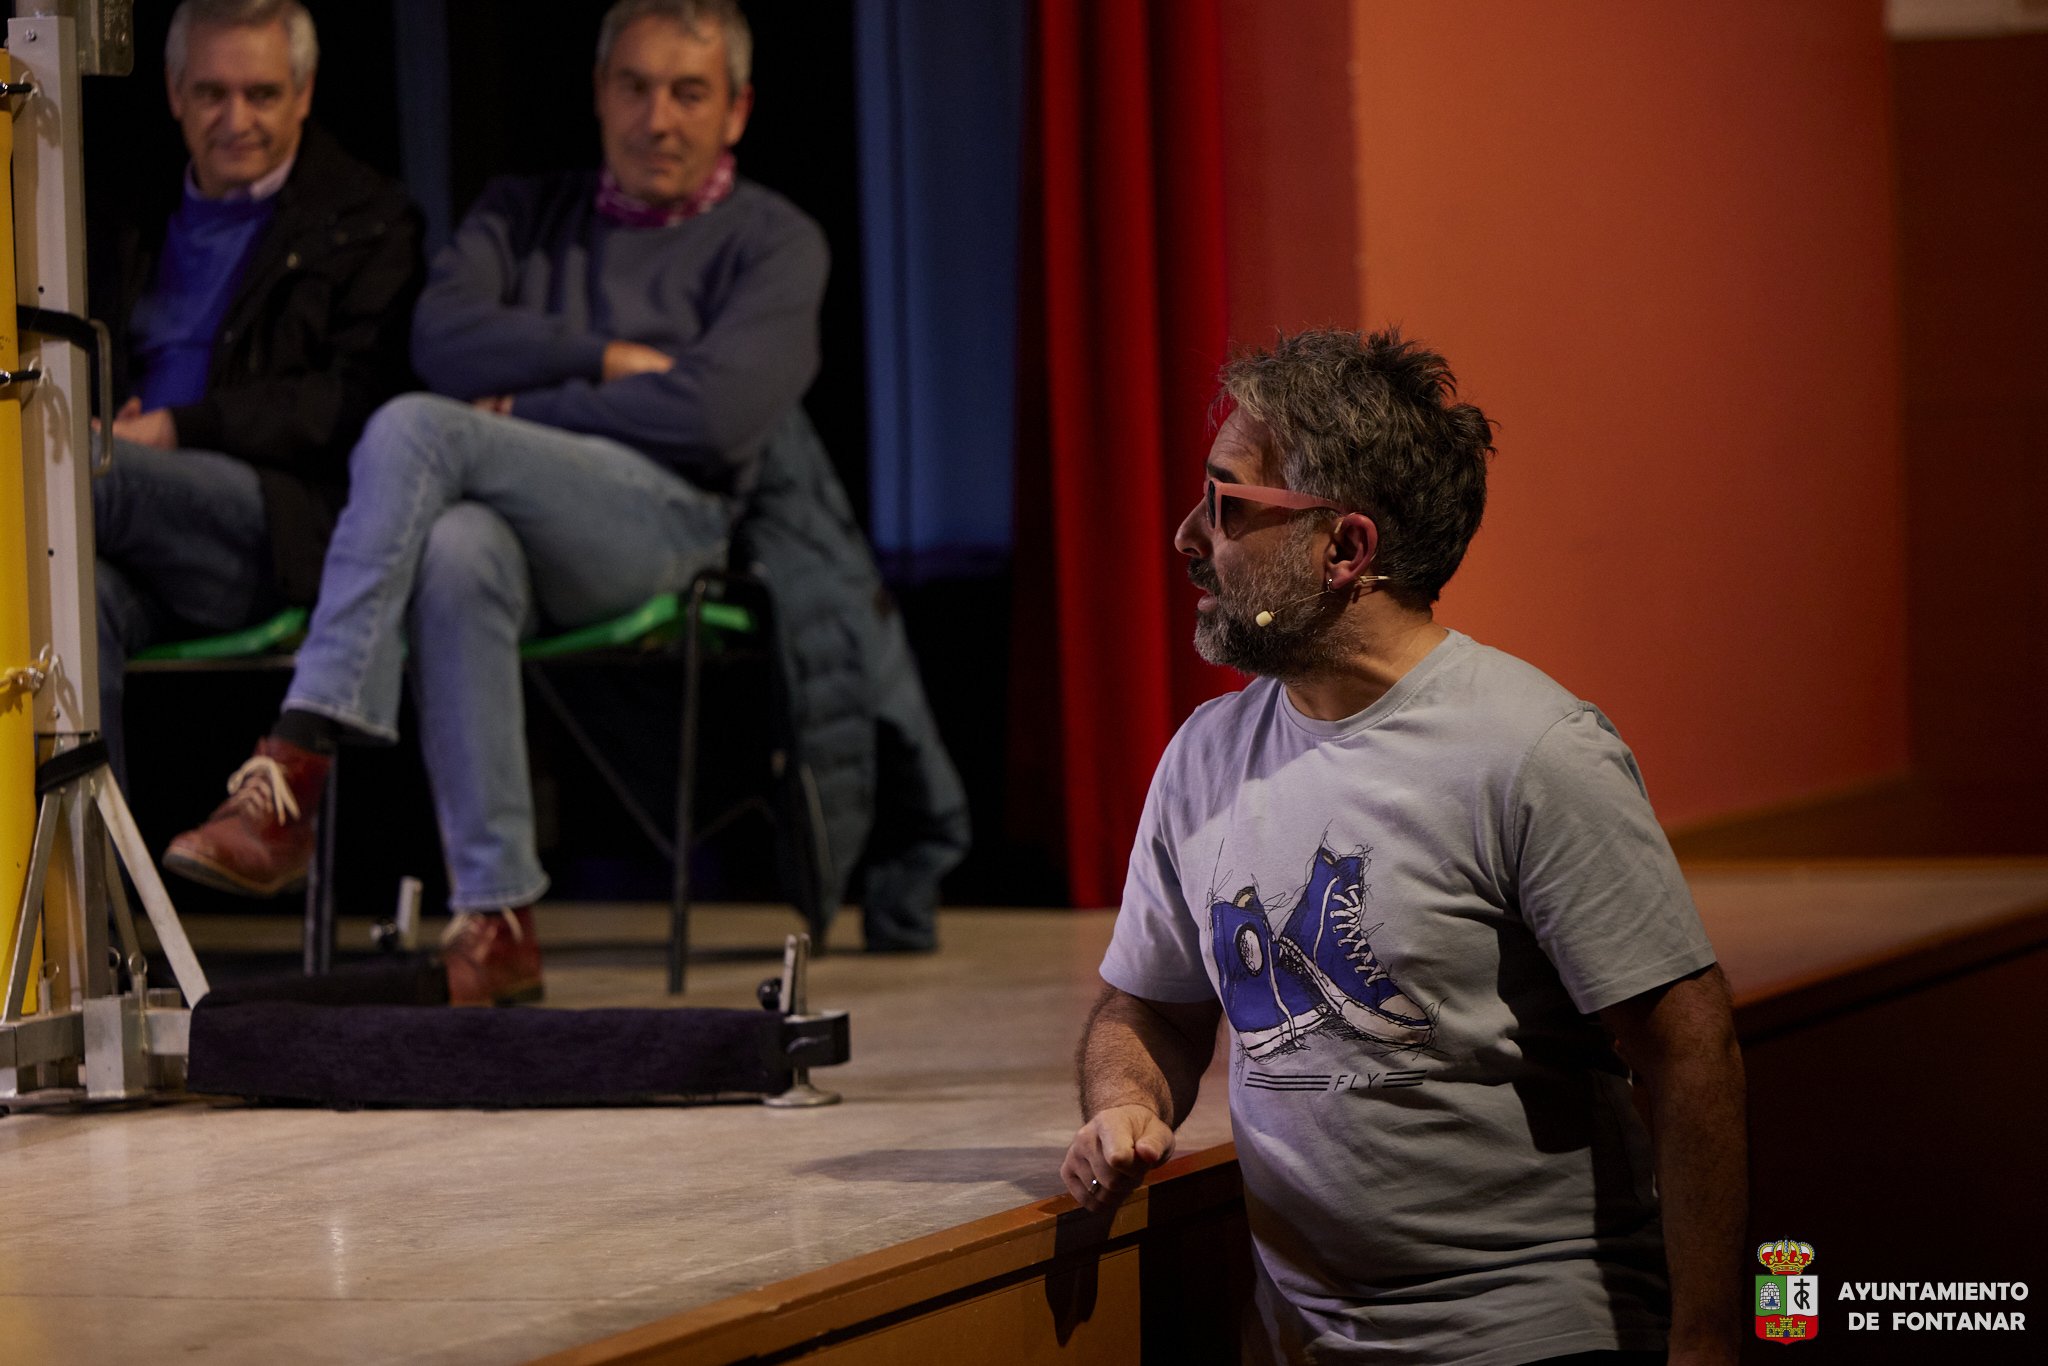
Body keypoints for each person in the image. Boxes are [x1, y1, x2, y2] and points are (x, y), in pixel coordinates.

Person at [161, 0, 956, 1003]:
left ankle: (298, 762)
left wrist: (526, 404)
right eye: (635, 87)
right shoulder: (523, 212)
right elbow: (442, 339)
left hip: (666, 525)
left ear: (737, 110)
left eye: (688, 93)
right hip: (521, 531)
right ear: (598, 94)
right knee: (455, 548)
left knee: (415, 429)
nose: (657, 118)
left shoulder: (775, 242)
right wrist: (610, 360)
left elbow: (713, 417)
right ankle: (497, 917)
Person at [1059, 330, 1747, 1365]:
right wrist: (1124, 1102)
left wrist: (1707, 1341)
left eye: (1227, 503)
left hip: (1531, 1337)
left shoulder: (1531, 751)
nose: (1187, 536)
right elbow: (1150, 1007)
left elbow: (1688, 1051)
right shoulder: (1204, 755)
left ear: (1344, 550)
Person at [90, 0, 424, 786]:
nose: (236, 120)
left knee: (77, 483)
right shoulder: (125, 218)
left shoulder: (367, 220)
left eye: (263, 95)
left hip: (279, 530)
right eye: (212, 94)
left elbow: (348, 404)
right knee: (75, 605)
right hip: (136, 533)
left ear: (304, 94)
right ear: (174, 91)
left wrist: (179, 427)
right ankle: (88, 866)